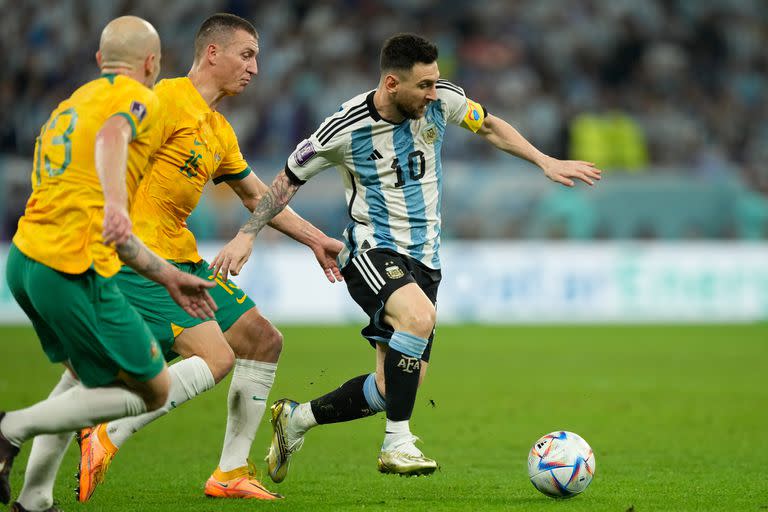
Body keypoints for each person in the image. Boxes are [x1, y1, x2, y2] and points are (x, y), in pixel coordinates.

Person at [210, 33, 602, 479]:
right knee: (417, 318)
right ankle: (397, 442)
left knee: (392, 386)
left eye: (436, 82)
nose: (435, 93)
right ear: (393, 83)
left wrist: (543, 160)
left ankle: (297, 419)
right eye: (425, 85)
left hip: (426, 260)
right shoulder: (344, 127)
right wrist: (248, 234)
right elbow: (285, 181)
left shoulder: (443, 101)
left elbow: (489, 125)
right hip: (371, 249)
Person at [73, 13, 343, 503]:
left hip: (181, 259)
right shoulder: (164, 101)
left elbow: (256, 195)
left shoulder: (218, 130)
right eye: (247, 55)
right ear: (212, 53)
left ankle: (229, 472)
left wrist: (315, 239)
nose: (255, 68)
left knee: (262, 340)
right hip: (140, 259)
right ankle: (110, 431)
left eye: (257, 57)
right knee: (214, 358)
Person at [0, 16, 218, 512]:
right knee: (153, 389)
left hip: (25, 262)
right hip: (71, 267)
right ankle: (9, 429)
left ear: (100, 61)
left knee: (81, 380)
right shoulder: (134, 96)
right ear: (151, 64)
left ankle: (33, 500)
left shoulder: (68, 108)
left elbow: (107, 226)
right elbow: (114, 139)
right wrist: (119, 205)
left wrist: (168, 276)